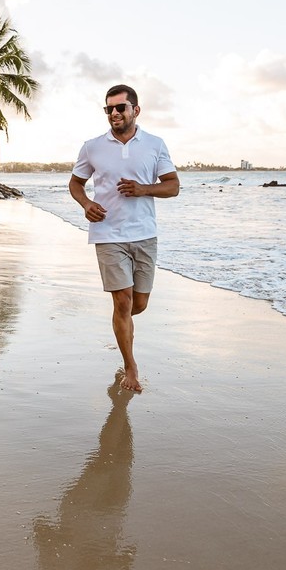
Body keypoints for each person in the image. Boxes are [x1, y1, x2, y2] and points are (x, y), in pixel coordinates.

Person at [68, 84, 180, 392]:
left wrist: (144, 189)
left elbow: (173, 186)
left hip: (145, 234)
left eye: (120, 108)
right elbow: (76, 184)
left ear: (135, 110)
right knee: (123, 302)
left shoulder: (155, 144)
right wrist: (87, 204)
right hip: (108, 234)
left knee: (138, 305)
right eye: (109, 109)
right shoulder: (92, 146)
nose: (114, 113)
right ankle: (130, 367)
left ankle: (122, 326)